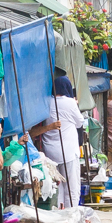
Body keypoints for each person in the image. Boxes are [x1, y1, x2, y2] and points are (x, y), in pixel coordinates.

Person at [33, 76, 86, 208]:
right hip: (68, 152)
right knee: (72, 188)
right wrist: (75, 105)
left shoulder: (46, 102)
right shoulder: (70, 102)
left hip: (50, 152)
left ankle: (58, 214)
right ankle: (71, 214)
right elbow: (80, 122)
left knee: (57, 187)